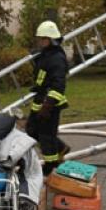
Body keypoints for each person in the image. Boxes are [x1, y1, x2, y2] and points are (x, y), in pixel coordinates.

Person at [26, 21, 70, 173]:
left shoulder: (57, 58)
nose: (40, 41)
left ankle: (50, 165)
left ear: (51, 39)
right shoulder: (47, 54)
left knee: (46, 136)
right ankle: (61, 148)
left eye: (43, 38)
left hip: (50, 104)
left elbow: (58, 85)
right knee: (31, 130)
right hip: (40, 100)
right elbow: (43, 73)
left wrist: (48, 105)